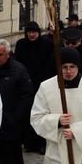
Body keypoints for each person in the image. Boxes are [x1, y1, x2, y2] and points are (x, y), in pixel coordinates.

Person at [14, 20, 54, 154]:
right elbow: (17, 63)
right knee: (27, 114)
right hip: (25, 83)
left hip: (42, 82)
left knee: (41, 113)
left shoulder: (47, 44)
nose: (31, 35)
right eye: (29, 32)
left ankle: (41, 142)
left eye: (34, 32)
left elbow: (51, 63)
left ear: (39, 33)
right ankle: (28, 142)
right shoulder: (21, 44)